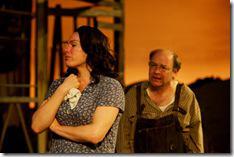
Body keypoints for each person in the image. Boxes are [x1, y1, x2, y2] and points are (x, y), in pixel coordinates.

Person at [31, 25, 125, 153]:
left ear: (90, 49)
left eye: (73, 45)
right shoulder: (59, 85)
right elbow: (37, 125)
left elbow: (95, 134)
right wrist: (62, 89)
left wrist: (57, 128)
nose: (66, 49)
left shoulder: (109, 86)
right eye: (66, 44)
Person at [116, 49, 204, 153]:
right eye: (153, 65)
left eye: (163, 67)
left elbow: (196, 141)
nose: (156, 71)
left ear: (175, 72)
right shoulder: (134, 95)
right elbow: (123, 139)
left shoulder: (186, 96)